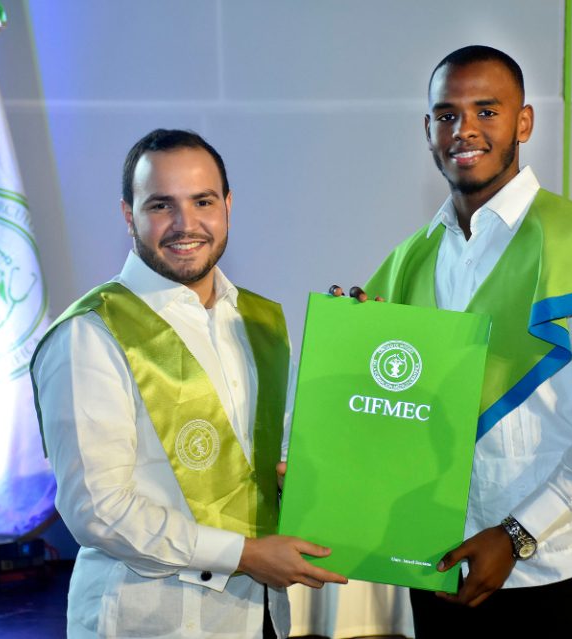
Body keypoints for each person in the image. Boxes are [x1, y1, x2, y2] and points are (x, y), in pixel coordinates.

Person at [360, 46, 572, 636]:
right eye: (447, 115)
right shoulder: (409, 262)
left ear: (524, 122)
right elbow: (394, 407)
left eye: (487, 111)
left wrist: (516, 532)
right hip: (443, 565)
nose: (465, 130)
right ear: (428, 130)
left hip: (565, 571)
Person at [31, 128, 346, 639]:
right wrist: (243, 555)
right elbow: (97, 509)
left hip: (264, 614)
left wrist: (362, 352)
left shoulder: (258, 320)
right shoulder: (90, 333)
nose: (185, 224)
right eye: (161, 205)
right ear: (128, 215)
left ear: (227, 205)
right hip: (151, 621)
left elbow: (268, 453)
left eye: (203, 201)